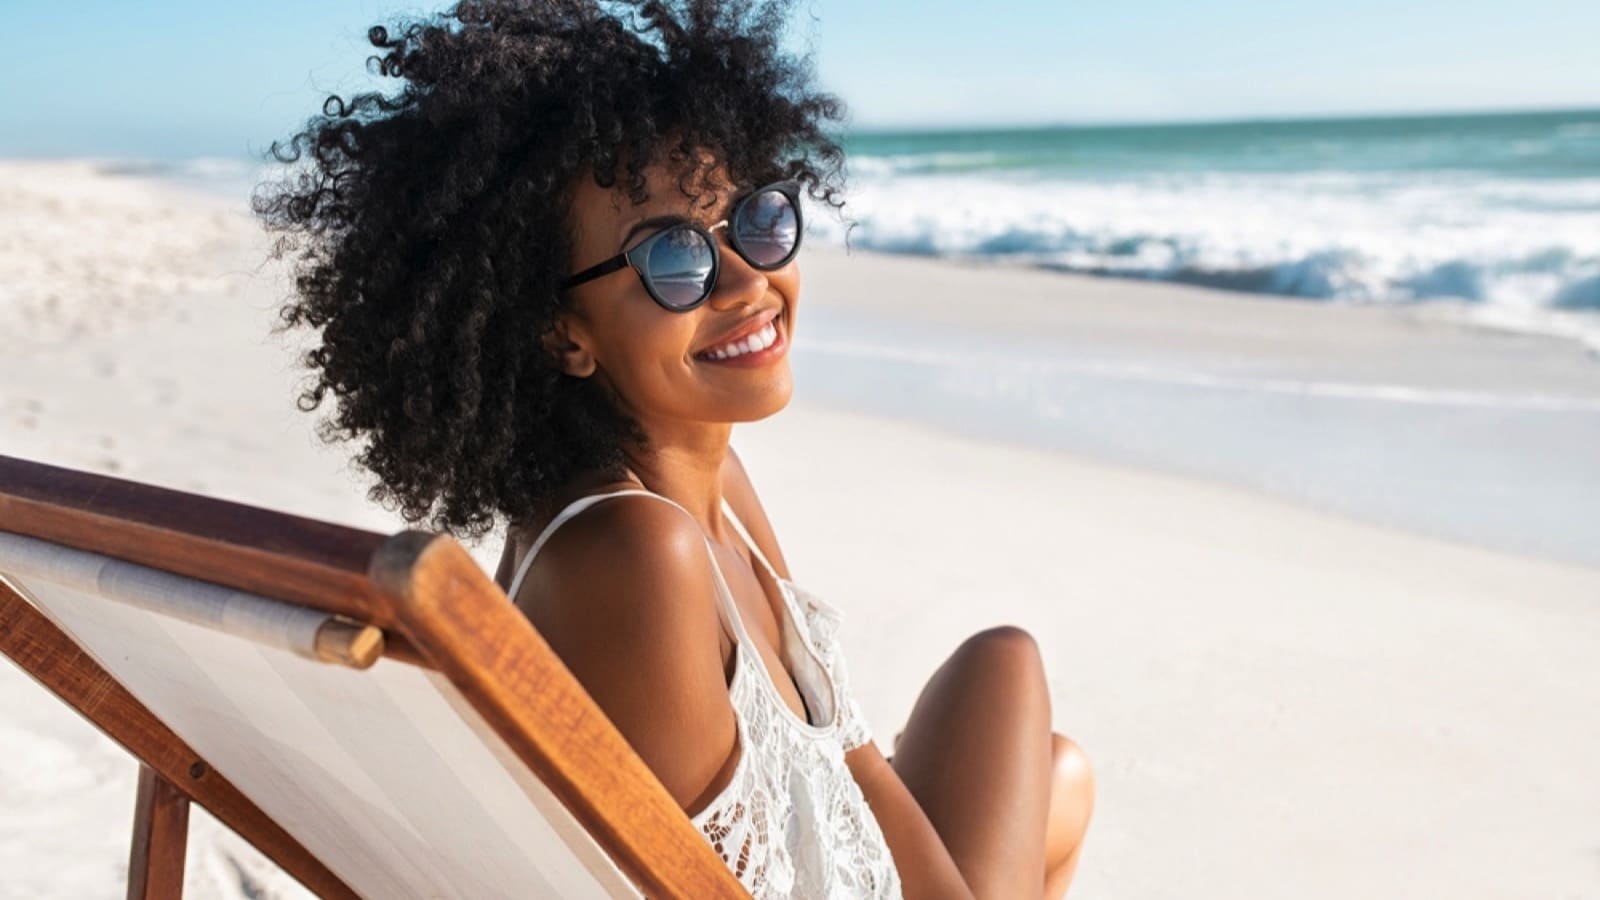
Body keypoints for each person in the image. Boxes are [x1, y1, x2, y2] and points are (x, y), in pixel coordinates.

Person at [252, 1, 1093, 896]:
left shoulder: (711, 477)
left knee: (1021, 693)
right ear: (559, 332)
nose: (745, 281)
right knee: (1053, 781)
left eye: (758, 221)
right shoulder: (632, 554)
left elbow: (849, 758)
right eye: (673, 260)